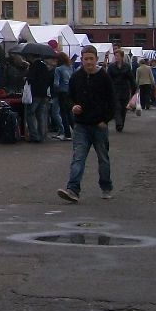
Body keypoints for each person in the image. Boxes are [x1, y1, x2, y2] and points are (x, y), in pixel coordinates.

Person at [57, 45, 116, 204]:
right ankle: (73, 190)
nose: (88, 62)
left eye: (91, 59)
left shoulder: (104, 77)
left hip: (99, 125)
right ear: (81, 60)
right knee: (78, 157)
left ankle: (106, 186)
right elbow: (69, 97)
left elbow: (112, 102)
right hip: (81, 125)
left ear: (96, 59)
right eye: (85, 59)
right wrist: (73, 106)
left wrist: (106, 119)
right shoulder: (76, 77)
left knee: (103, 158)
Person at [25, 54, 53, 143]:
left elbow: (30, 79)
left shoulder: (33, 66)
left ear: (32, 56)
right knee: (41, 115)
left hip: (35, 93)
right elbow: (49, 79)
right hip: (44, 94)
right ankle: (43, 135)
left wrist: (26, 77)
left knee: (30, 114)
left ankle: (34, 135)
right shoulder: (44, 66)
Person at [107, 50, 136, 130]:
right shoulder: (111, 67)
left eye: (118, 56)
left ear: (122, 57)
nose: (116, 57)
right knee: (117, 107)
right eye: (115, 56)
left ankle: (121, 123)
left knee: (123, 108)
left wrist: (134, 90)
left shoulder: (126, 67)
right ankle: (118, 123)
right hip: (115, 90)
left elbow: (131, 79)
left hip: (124, 90)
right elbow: (108, 79)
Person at [51, 52, 75, 141]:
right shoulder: (70, 67)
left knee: (63, 113)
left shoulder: (58, 69)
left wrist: (54, 90)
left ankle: (67, 134)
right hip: (69, 91)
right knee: (70, 112)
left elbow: (56, 83)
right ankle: (76, 131)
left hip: (61, 92)